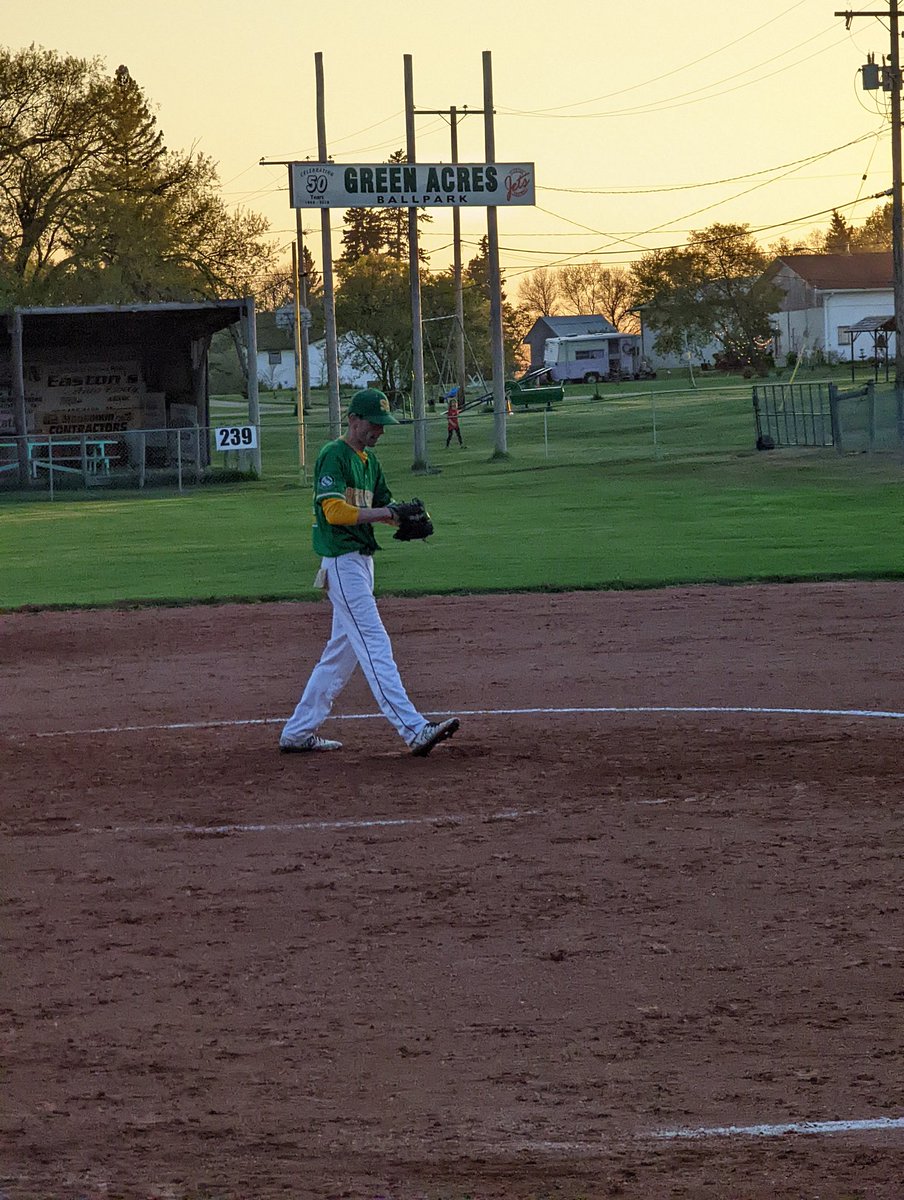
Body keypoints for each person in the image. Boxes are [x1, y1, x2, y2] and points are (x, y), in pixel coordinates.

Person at [280, 387, 460, 757]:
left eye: (383, 425)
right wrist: (384, 514)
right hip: (342, 563)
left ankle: (298, 732)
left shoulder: (369, 462)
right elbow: (334, 511)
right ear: (353, 420)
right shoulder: (334, 456)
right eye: (373, 424)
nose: (379, 431)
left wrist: (405, 522)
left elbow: (384, 505)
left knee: (340, 655)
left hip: (361, 563)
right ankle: (413, 730)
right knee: (375, 643)